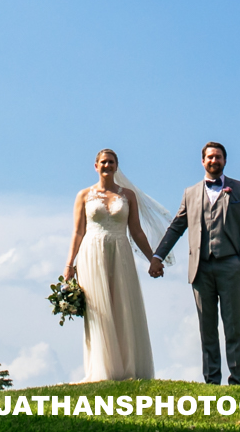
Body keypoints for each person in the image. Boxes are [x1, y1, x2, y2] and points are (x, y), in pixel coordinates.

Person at [152, 141, 240, 385]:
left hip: (231, 266)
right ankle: (211, 382)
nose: (214, 161)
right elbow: (177, 227)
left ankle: (237, 382)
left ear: (225, 161)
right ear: (203, 161)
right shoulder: (190, 193)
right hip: (200, 269)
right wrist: (158, 256)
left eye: (218, 157)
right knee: (206, 328)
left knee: (234, 327)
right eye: (210, 157)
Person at [64, 148, 168, 382]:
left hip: (121, 251)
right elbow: (78, 231)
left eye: (111, 162)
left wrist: (153, 257)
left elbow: (137, 231)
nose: (107, 166)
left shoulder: (128, 195)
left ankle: (127, 367)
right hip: (92, 253)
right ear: (95, 166)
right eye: (103, 162)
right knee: (99, 308)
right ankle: (102, 369)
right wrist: (69, 264)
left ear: (116, 166)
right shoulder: (83, 195)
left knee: (123, 305)